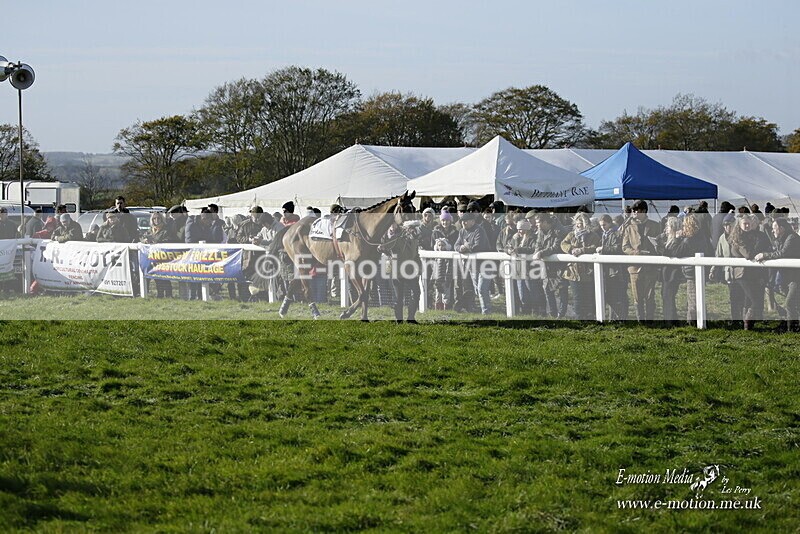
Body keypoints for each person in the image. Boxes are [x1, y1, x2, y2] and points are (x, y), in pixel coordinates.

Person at [728, 214, 772, 330]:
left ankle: (748, 326)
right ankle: (747, 322)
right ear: (739, 224)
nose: (747, 225)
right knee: (755, 299)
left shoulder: (751, 235)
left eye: (749, 223)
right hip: (742, 274)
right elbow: (748, 254)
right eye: (745, 224)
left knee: (749, 300)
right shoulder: (738, 238)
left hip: (751, 273)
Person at [755, 218, 800, 332]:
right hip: (787, 277)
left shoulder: (792, 238)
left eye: (774, 228)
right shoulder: (779, 239)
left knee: (790, 303)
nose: (773, 231)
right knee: (794, 304)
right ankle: (793, 328)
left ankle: (792, 330)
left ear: (782, 228)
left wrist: (765, 255)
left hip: (795, 277)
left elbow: (782, 253)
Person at [622, 200, 662, 322]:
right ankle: (640, 321)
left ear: (644, 211)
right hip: (634, 267)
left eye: (636, 210)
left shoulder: (655, 225)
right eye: (633, 210)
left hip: (651, 266)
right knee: (637, 296)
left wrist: (657, 247)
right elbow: (624, 247)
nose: (633, 213)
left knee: (650, 295)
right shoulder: (628, 228)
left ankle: (650, 320)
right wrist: (635, 253)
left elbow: (661, 244)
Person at [561, 212, 601, 320]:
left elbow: (595, 247)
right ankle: (579, 318)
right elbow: (563, 244)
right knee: (577, 297)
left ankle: (589, 317)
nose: (579, 226)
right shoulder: (571, 234)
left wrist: (582, 250)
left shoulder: (593, 235)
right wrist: (571, 249)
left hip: (588, 272)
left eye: (582, 223)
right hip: (573, 272)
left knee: (588, 296)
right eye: (578, 223)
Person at [454, 212, 493, 315]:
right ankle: (484, 310)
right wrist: (461, 248)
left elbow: (478, 246)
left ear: (473, 221)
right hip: (473, 266)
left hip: (486, 264)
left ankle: (486, 311)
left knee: (482, 289)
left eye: (466, 221)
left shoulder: (479, 230)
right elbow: (456, 245)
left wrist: (466, 247)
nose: (463, 223)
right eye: (462, 221)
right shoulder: (462, 231)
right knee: (477, 290)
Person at [532, 212, 568, 319]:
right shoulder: (540, 231)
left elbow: (556, 247)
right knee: (547, 289)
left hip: (560, 265)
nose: (536, 225)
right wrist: (538, 252)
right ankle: (553, 314)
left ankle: (561, 314)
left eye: (538, 222)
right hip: (547, 265)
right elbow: (538, 244)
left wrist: (541, 253)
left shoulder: (559, 230)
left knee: (562, 290)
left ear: (545, 222)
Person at [507, 219, 545, 316]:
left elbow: (532, 249)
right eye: (518, 229)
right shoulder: (516, 238)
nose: (519, 231)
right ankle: (526, 314)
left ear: (526, 229)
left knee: (532, 293)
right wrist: (509, 250)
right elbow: (507, 246)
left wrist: (518, 249)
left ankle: (536, 313)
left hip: (530, 270)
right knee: (522, 295)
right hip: (519, 270)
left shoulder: (534, 237)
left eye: (521, 229)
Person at [595, 214, 628, 321]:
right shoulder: (605, 234)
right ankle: (614, 318)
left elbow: (617, 249)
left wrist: (603, 249)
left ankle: (619, 318)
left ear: (609, 223)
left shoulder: (614, 234)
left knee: (614, 296)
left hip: (615, 270)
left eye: (604, 225)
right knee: (611, 296)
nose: (602, 227)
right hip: (608, 270)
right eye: (601, 225)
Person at [141, 212, 177, 298]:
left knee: (164, 278)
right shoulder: (150, 231)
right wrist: (145, 240)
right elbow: (142, 238)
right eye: (154, 218)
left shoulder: (166, 230)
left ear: (162, 219)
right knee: (154, 277)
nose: (156, 220)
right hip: (150, 258)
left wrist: (157, 242)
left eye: (158, 218)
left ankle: (169, 295)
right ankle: (158, 295)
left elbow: (169, 240)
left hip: (163, 257)